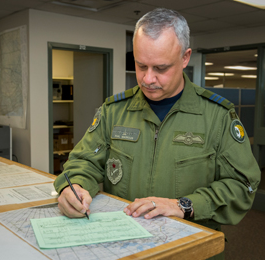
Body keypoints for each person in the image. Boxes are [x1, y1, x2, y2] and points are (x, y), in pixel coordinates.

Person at [54, 7, 260, 259]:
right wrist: (72, 186)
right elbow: (83, 162)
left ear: (185, 58)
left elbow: (242, 185)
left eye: (160, 68)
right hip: (122, 247)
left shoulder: (217, 116)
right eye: (141, 66)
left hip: (189, 249)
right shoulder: (113, 111)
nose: (147, 79)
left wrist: (183, 205)